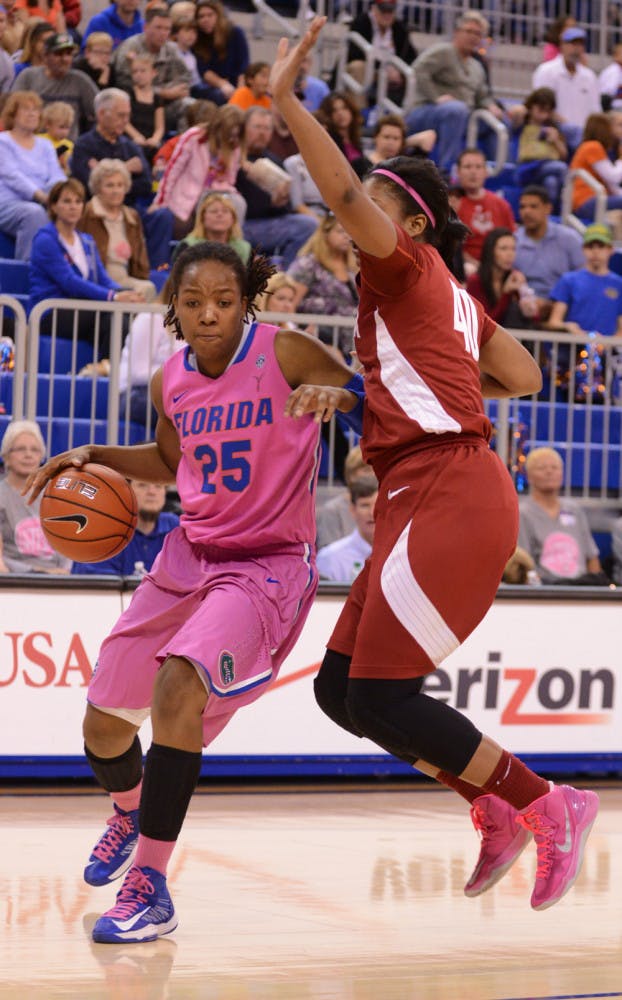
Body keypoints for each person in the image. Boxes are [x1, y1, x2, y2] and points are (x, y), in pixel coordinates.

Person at [269, 16, 599, 914]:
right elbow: (525, 375)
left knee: (382, 691)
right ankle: (489, 802)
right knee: (341, 693)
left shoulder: (404, 264)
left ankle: (546, 801)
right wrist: (402, 388)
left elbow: (343, 191)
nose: (357, 215)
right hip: (424, 484)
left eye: (381, 203)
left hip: (450, 485)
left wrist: (288, 102)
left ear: (411, 220)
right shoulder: (450, 294)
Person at [25, 239, 365, 943]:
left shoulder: (286, 352)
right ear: (173, 307)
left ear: (245, 304)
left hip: (266, 563)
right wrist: (96, 454)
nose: (209, 314)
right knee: (102, 726)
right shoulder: (170, 379)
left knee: (179, 686)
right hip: (189, 555)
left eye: (224, 301)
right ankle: (131, 811)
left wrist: (342, 396)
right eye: (193, 301)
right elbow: (169, 459)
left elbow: (369, 401)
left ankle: (150, 887)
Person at [28, 177, 144, 354]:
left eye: (78, 201)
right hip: (51, 312)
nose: (73, 206)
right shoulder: (45, 239)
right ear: (53, 206)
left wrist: (124, 294)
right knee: (114, 317)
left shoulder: (87, 241)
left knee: (120, 319)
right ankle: (109, 369)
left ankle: (108, 368)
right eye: (67, 201)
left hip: (82, 308)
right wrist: (113, 297)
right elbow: (69, 281)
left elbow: (103, 279)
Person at [70, 87, 174, 269]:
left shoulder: (130, 146)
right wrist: (125, 169)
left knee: (162, 216)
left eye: (128, 115)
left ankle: (154, 272)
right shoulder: (83, 145)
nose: (126, 121)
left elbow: (145, 185)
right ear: (101, 114)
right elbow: (92, 187)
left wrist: (105, 175)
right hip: (97, 214)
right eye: (121, 115)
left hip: (130, 210)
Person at [404, 10, 504, 175]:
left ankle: (494, 173)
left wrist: (491, 106)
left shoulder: (477, 66)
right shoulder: (443, 51)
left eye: (478, 34)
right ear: (457, 32)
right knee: (456, 109)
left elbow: (482, 96)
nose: (473, 37)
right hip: (426, 111)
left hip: (462, 117)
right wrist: (436, 97)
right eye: (469, 31)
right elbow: (418, 71)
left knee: (497, 121)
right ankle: (446, 170)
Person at [236, 105, 317, 269]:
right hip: (242, 224)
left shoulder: (275, 160)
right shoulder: (234, 159)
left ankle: (287, 275)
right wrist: (270, 203)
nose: (262, 133)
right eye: (257, 127)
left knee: (308, 224)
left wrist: (280, 203)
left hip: (272, 223)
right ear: (244, 129)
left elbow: (287, 207)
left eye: (267, 128)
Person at [152, 103, 245, 231]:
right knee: (208, 206)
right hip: (188, 195)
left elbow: (230, 181)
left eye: (235, 136)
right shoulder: (194, 137)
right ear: (218, 128)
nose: (231, 140)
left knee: (239, 203)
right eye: (228, 135)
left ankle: (234, 239)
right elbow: (172, 171)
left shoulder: (235, 146)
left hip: (217, 193)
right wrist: (160, 202)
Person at [518, 447, 604, 584]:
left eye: (554, 467)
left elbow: (591, 557)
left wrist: (596, 588)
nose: (549, 471)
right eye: (541, 468)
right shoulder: (522, 513)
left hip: (580, 585)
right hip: (544, 587)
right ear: (529, 476)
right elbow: (522, 564)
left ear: (562, 474)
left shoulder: (574, 510)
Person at [0, 89, 65, 261]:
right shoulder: (3, 141)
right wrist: (41, 196)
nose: (32, 114)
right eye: (26, 109)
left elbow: (56, 174)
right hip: (9, 203)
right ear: (13, 114)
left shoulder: (45, 144)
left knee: (72, 207)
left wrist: (58, 195)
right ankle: (29, 269)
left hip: (45, 200)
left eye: (35, 109)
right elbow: (12, 176)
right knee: (33, 213)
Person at [0, 419, 71, 574]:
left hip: (59, 577)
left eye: (35, 450)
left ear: (41, 457)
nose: (28, 455)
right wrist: (36, 572)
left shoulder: (56, 494)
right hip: (15, 578)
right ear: (6, 456)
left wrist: (64, 571)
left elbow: (68, 543)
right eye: (20, 449)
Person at [80, 158, 156, 301]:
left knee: (147, 288)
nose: (115, 191)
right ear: (98, 188)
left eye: (120, 185)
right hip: (97, 282)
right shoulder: (86, 213)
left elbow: (141, 260)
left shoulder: (132, 217)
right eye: (109, 185)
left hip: (125, 280)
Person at [287, 211, 358, 357]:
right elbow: (290, 302)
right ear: (325, 233)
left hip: (351, 339)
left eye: (349, 232)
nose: (347, 236)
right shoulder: (309, 264)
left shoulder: (354, 266)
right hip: (320, 339)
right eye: (340, 231)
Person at [71, 480, 179, 575]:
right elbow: (100, 587)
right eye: (142, 485)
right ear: (126, 492)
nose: (152, 492)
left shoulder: (176, 527)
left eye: (158, 486)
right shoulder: (104, 531)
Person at [113, 5, 191, 133]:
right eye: (158, 28)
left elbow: (184, 78)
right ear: (145, 27)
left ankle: (182, 143)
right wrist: (163, 92)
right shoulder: (131, 47)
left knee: (190, 105)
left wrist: (171, 92)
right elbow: (123, 82)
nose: (163, 33)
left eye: (167, 29)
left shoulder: (171, 49)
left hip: (164, 105)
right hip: (136, 106)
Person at [118, 275, 183, 428]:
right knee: (187, 408)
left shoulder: (189, 324)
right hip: (134, 395)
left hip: (171, 392)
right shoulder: (150, 317)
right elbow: (137, 373)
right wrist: (180, 373)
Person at [11, 31, 98, 140]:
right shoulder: (29, 76)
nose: (65, 59)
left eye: (69, 54)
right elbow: (11, 109)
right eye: (58, 54)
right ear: (45, 56)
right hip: (33, 143)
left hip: (68, 146)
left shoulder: (80, 80)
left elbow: (99, 111)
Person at [532, 27, 600, 154]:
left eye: (580, 44)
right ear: (562, 45)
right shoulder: (546, 71)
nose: (576, 49)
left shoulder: (590, 76)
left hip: (583, 136)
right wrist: (566, 127)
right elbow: (541, 108)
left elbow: (595, 110)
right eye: (572, 44)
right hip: (553, 131)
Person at [513, 185, 584, 307]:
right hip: (524, 306)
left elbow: (584, 277)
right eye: (522, 207)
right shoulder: (514, 241)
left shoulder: (569, 239)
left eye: (533, 206)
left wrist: (557, 304)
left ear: (548, 209)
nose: (527, 212)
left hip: (564, 305)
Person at [342, 0, 417, 109]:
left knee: (413, 74)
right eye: (383, 11)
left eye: (390, 11)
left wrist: (399, 72)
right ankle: (360, 112)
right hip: (369, 70)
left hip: (392, 73)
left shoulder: (399, 28)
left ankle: (407, 114)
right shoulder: (361, 23)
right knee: (358, 67)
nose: (387, 15)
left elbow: (411, 56)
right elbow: (354, 54)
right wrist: (384, 67)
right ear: (374, 9)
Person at [453, 148, 516, 273]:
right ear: (458, 172)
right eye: (467, 167)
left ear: (486, 172)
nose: (473, 172)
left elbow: (510, 242)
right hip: (463, 268)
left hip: (497, 269)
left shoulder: (501, 205)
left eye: (478, 167)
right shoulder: (452, 204)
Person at [466, 227, 539, 327]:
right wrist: (506, 293)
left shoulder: (515, 277)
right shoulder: (475, 281)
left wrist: (528, 305)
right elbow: (485, 324)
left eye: (513, 249)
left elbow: (534, 319)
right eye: (504, 248)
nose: (510, 254)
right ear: (490, 251)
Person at [514, 87, 568, 212]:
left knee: (551, 182)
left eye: (548, 111)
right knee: (562, 168)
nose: (544, 115)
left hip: (548, 167)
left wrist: (556, 140)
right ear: (532, 106)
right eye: (540, 109)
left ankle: (548, 215)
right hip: (528, 168)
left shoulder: (553, 128)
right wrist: (527, 109)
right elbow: (516, 112)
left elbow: (564, 155)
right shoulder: (523, 123)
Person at [317, 473, 378, 582]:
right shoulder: (329, 558)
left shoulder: (400, 555)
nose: (372, 513)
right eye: (365, 505)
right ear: (353, 510)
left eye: (377, 505)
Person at [315, 444, 374, 549]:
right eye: (367, 470)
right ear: (351, 475)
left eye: (376, 469)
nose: (373, 475)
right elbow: (328, 553)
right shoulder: (332, 510)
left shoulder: (388, 506)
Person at [192, 0, 249, 106]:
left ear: (218, 15)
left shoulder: (235, 32)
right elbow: (203, 71)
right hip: (212, 85)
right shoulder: (197, 39)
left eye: (210, 15)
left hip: (237, 81)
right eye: (201, 16)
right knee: (220, 95)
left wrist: (240, 92)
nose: (205, 19)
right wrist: (223, 84)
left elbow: (243, 66)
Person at [172, 190, 251, 265]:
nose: (219, 214)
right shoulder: (188, 246)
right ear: (202, 218)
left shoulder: (244, 249)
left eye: (225, 211)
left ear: (233, 219)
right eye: (213, 211)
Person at [569, 113, 622, 223]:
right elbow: (613, 177)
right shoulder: (593, 146)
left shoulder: (591, 147)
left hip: (592, 199)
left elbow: (610, 183)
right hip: (586, 201)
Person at [123, 53, 165, 161]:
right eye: (135, 72)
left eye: (143, 71)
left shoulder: (157, 98)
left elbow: (160, 127)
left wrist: (155, 139)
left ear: (153, 73)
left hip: (150, 140)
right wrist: (136, 136)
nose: (138, 75)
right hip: (132, 138)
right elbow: (124, 122)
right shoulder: (128, 95)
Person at [39, 97, 74, 171]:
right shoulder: (39, 141)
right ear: (48, 124)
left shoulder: (70, 145)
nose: (64, 132)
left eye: (67, 127)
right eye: (61, 127)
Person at [599, 41, 622, 111]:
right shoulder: (613, 71)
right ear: (616, 56)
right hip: (613, 108)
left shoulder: (619, 69)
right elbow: (608, 94)